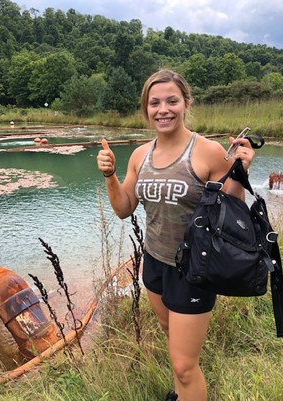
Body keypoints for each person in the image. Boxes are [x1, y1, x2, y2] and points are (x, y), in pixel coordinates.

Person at [97, 69, 255, 401]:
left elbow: (231, 209)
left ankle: (185, 390)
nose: (163, 109)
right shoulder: (141, 155)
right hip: (155, 263)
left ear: (185, 103)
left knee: (185, 365)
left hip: (194, 270)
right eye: (154, 103)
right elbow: (125, 207)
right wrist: (110, 175)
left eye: (172, 101)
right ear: (146, 108)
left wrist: (241, 171)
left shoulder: (208, 151)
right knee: (172, 337)